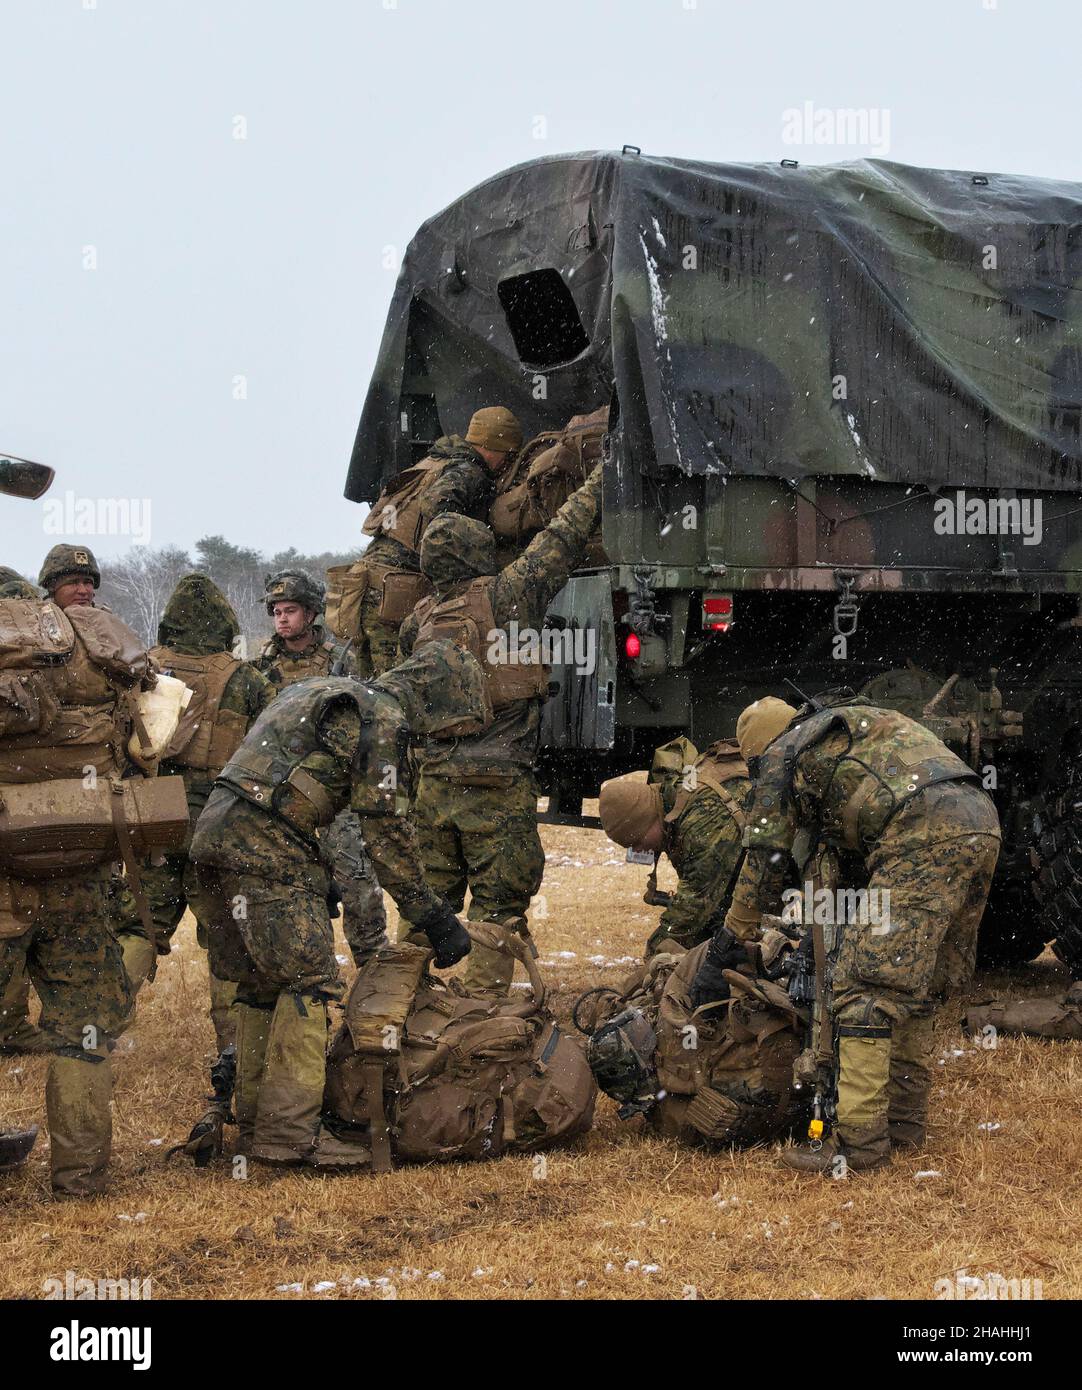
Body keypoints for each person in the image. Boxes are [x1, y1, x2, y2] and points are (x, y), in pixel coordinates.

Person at [187, 640, 486, 1166]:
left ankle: (258, 1124)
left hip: (212, 838)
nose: (447, 738)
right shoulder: (384, 719)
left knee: (260, 987)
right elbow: (386, 833)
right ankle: (292, 1136)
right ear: (439, 698)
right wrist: (434, 917)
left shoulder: (317, 690)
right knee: (310, 984)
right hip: (266, 851)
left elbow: (288, 780)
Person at [694, 694, 1001, 1172]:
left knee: (864, 988)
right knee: (913, 986)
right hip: (981, 821)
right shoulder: (843, 732)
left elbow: (764, 859)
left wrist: (729, 941)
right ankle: (904, 1125)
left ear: (757, 752)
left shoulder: (782, 754)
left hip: (920, 833)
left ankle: (859, 1146)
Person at [398, 462, 603, 996]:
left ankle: (396, 1011)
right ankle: (483, 1018)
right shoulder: (510, 595)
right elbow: (564, 534)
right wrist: (602, 475)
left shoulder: (418, 620)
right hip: (499, 783)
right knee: (498, 905)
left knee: (426, 903)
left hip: (434, 786)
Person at [0, 562, 158, 1193]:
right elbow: (150, 744)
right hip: (78, 875)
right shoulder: (98, 649)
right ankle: (80, 1175)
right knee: (84, 1030)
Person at [116, 574, 274, 1052]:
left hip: (154, 816)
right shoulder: (245, 679)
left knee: (137, 926)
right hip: (218, 821)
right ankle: (232, 1050)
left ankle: (95, 1033)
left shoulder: (145, 670)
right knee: (226, 937)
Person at [253, 568, 388, 967]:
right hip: (280, 797)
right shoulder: (261, 666)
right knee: (292, 890)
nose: (282, 618)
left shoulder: (341, 662)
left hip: (333, 796)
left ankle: (374, 974)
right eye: (276, 611)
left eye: (290, 610)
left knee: (358, 886)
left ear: (311, 613)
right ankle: (309, 977)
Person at [346, 407, 523, 676]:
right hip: (393, 591)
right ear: (498, 449)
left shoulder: (431, 463)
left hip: (366, 587)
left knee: (370, 691)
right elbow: (437, 508)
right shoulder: (467, 471)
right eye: (508, 457)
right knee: (397, 690)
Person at [598, 736, 752, 958]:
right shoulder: (676, 802)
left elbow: (695, 905)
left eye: (637, 842)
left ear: (648, 819)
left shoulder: (701, 816)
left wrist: (655, 951)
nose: (641, 851)